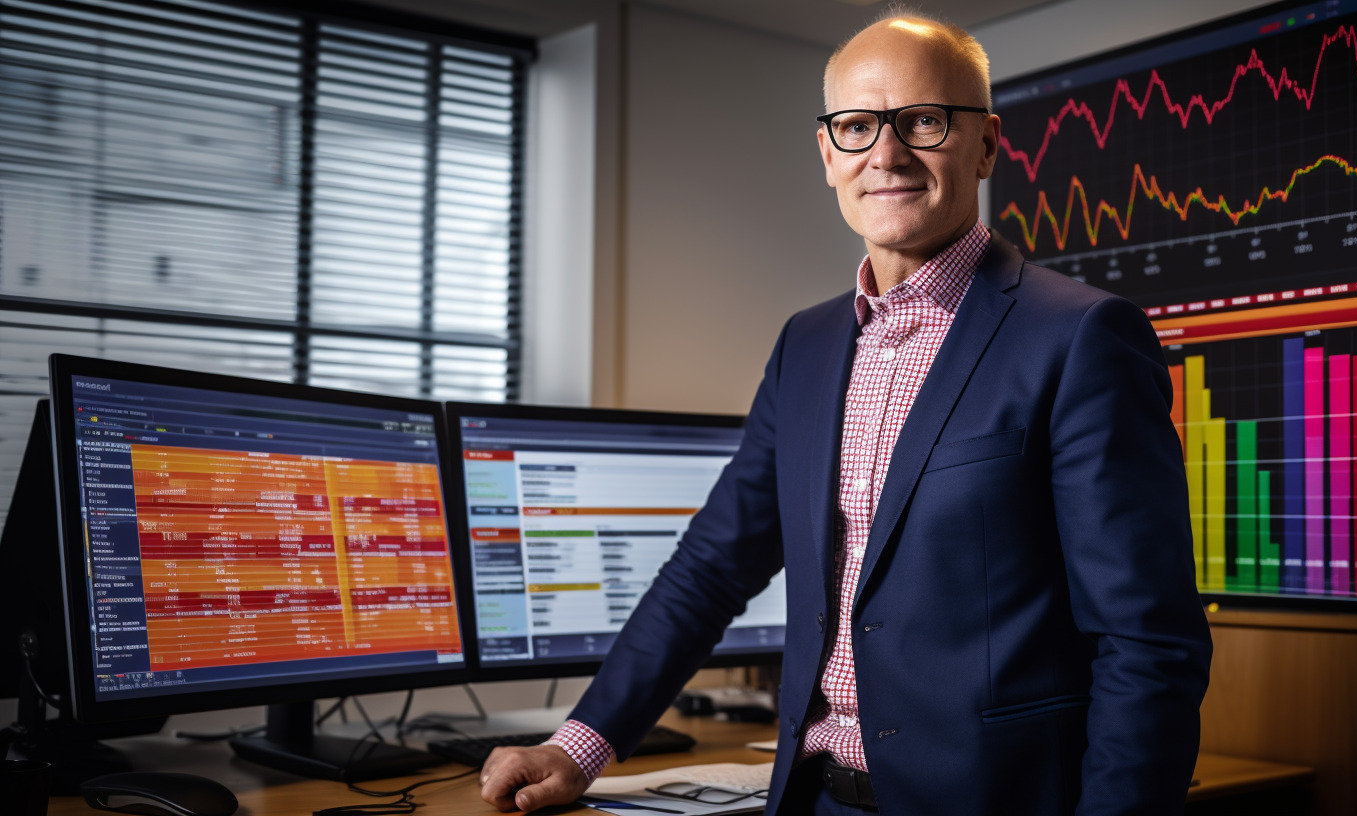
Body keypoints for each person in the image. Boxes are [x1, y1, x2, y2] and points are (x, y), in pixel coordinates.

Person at [479, 13, 1212, 815]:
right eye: (858, 127)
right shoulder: (809, 343)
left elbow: (1147, 642)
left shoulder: (1080, 337)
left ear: (988, 143)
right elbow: (711, 567)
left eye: (923, 122)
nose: (886, 155)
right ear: (828, 153)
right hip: (810, 798)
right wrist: (579, 746)